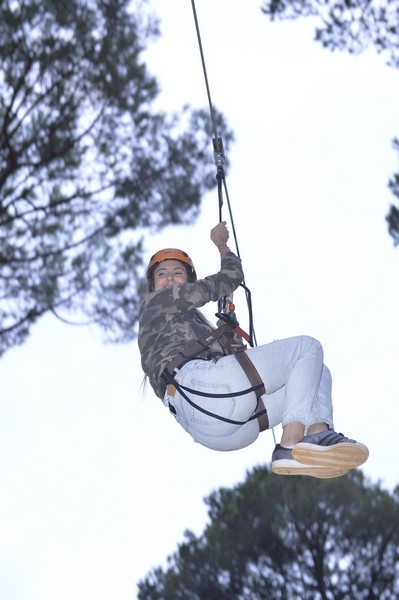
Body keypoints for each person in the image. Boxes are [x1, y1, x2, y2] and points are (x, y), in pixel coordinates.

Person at [138, 222, 369, 478]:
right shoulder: (158, 301)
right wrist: (222, 245)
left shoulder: (190, 327)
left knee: (317, 372)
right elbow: (229, 278)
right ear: (154, 285)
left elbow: (234, 362)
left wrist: (227, 336)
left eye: (177, 273)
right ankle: (291, 444)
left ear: (186, 280)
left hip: (221, 424)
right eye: (162, 274)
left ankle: (318, 435)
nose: (170, 278)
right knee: (307, 348)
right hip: (200, 391)